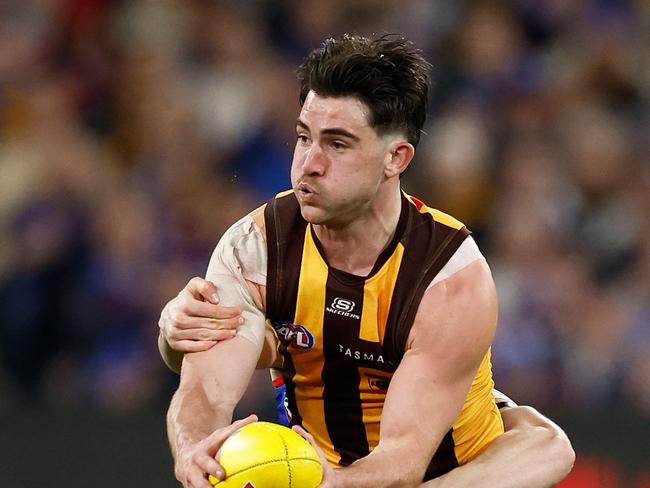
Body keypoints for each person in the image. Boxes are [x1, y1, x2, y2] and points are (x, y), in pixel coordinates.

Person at [161, 34, 574, 488]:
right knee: (544, 443)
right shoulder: (255, 248)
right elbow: (205, 386)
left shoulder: (448, 278)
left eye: (337, 144)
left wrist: (335, 485)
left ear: (395, 157)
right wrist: (193, 450)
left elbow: (403, 460)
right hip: (320, 471)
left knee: (541, 448)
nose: (309, 163)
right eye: (303, 137)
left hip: (443, 477)